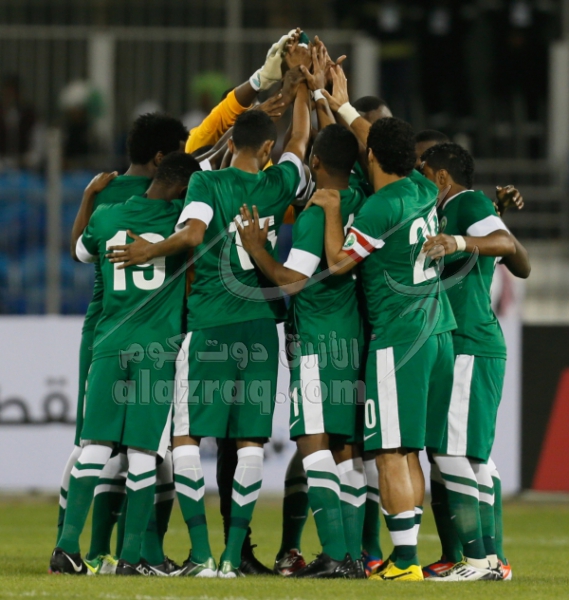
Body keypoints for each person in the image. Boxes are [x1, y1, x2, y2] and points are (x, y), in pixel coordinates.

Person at [107, 81, 311, 576]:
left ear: (233, 142)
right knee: (250, 443)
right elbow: (300, 141)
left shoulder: (205, 184)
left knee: (186, 438)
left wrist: (149, 249)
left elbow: (193, 233)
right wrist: (305, 90)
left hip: (211, 325)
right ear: (267, 148)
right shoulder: (278, 183)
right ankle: (232, 556)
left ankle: (200, 555)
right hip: (260, 328)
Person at [307, 105, 458, 581]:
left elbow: (338, 262)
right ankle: (405, 555)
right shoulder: (422, 189)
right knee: (409, 450)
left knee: (390, 452)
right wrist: (342, 104)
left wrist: (333, 210)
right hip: (438, 331)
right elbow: (381, 142)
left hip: (399, 340)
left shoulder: (377, 209)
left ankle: (406, 561)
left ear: (370, 156)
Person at [50, 151, 201, 576]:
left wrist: (88, 197)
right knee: (143, 453)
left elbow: (80, 252)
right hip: (156, 348)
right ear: (183, 189)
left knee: (95, 446)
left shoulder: (107, 215)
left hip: (109, 342)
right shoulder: (182, 222)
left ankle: (66, 549)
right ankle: (131, 558)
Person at [237, 124, 368, 579]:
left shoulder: (315, 215)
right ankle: (353, 556)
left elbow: (293, 281)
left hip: (317, 340)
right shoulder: (362, 200)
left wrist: (257, 250)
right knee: (344, 448)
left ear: (314, 163)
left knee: (313, 443)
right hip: (351, 338)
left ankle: (335, 554)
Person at [420, 142, 530, 582]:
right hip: (466, 342)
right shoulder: (453, 210)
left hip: (469, 342)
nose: (416, 176)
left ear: (441, 176)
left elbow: (507, 246)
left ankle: (480, 560)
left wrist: (460, 238)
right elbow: (515, 259)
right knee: (467, 456)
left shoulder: (466, 204)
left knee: (451, 451)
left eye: (422, 168)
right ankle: (489, 560)